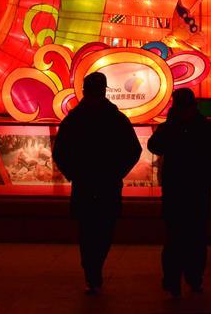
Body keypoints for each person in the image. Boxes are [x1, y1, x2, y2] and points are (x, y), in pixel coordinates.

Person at [52, 72, 142, 294]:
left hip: (84, 184)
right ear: (104, 91)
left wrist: (74, 174)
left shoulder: (74, 119)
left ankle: (91, 270)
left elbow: (60, 152)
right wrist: (116, 173)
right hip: (107, 184)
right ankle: (95, 268)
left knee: (87, 230)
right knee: (104, 229)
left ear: (84, 91)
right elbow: (134, 150)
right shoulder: (116, 119)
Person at [147, 87, 211, 297]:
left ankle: (172, 280)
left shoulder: (170, 128)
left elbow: (154, 146)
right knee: (196, 236)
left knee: (174, 236)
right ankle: (194, 278)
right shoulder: (206, 127)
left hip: (175, 188)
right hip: (198, 189)